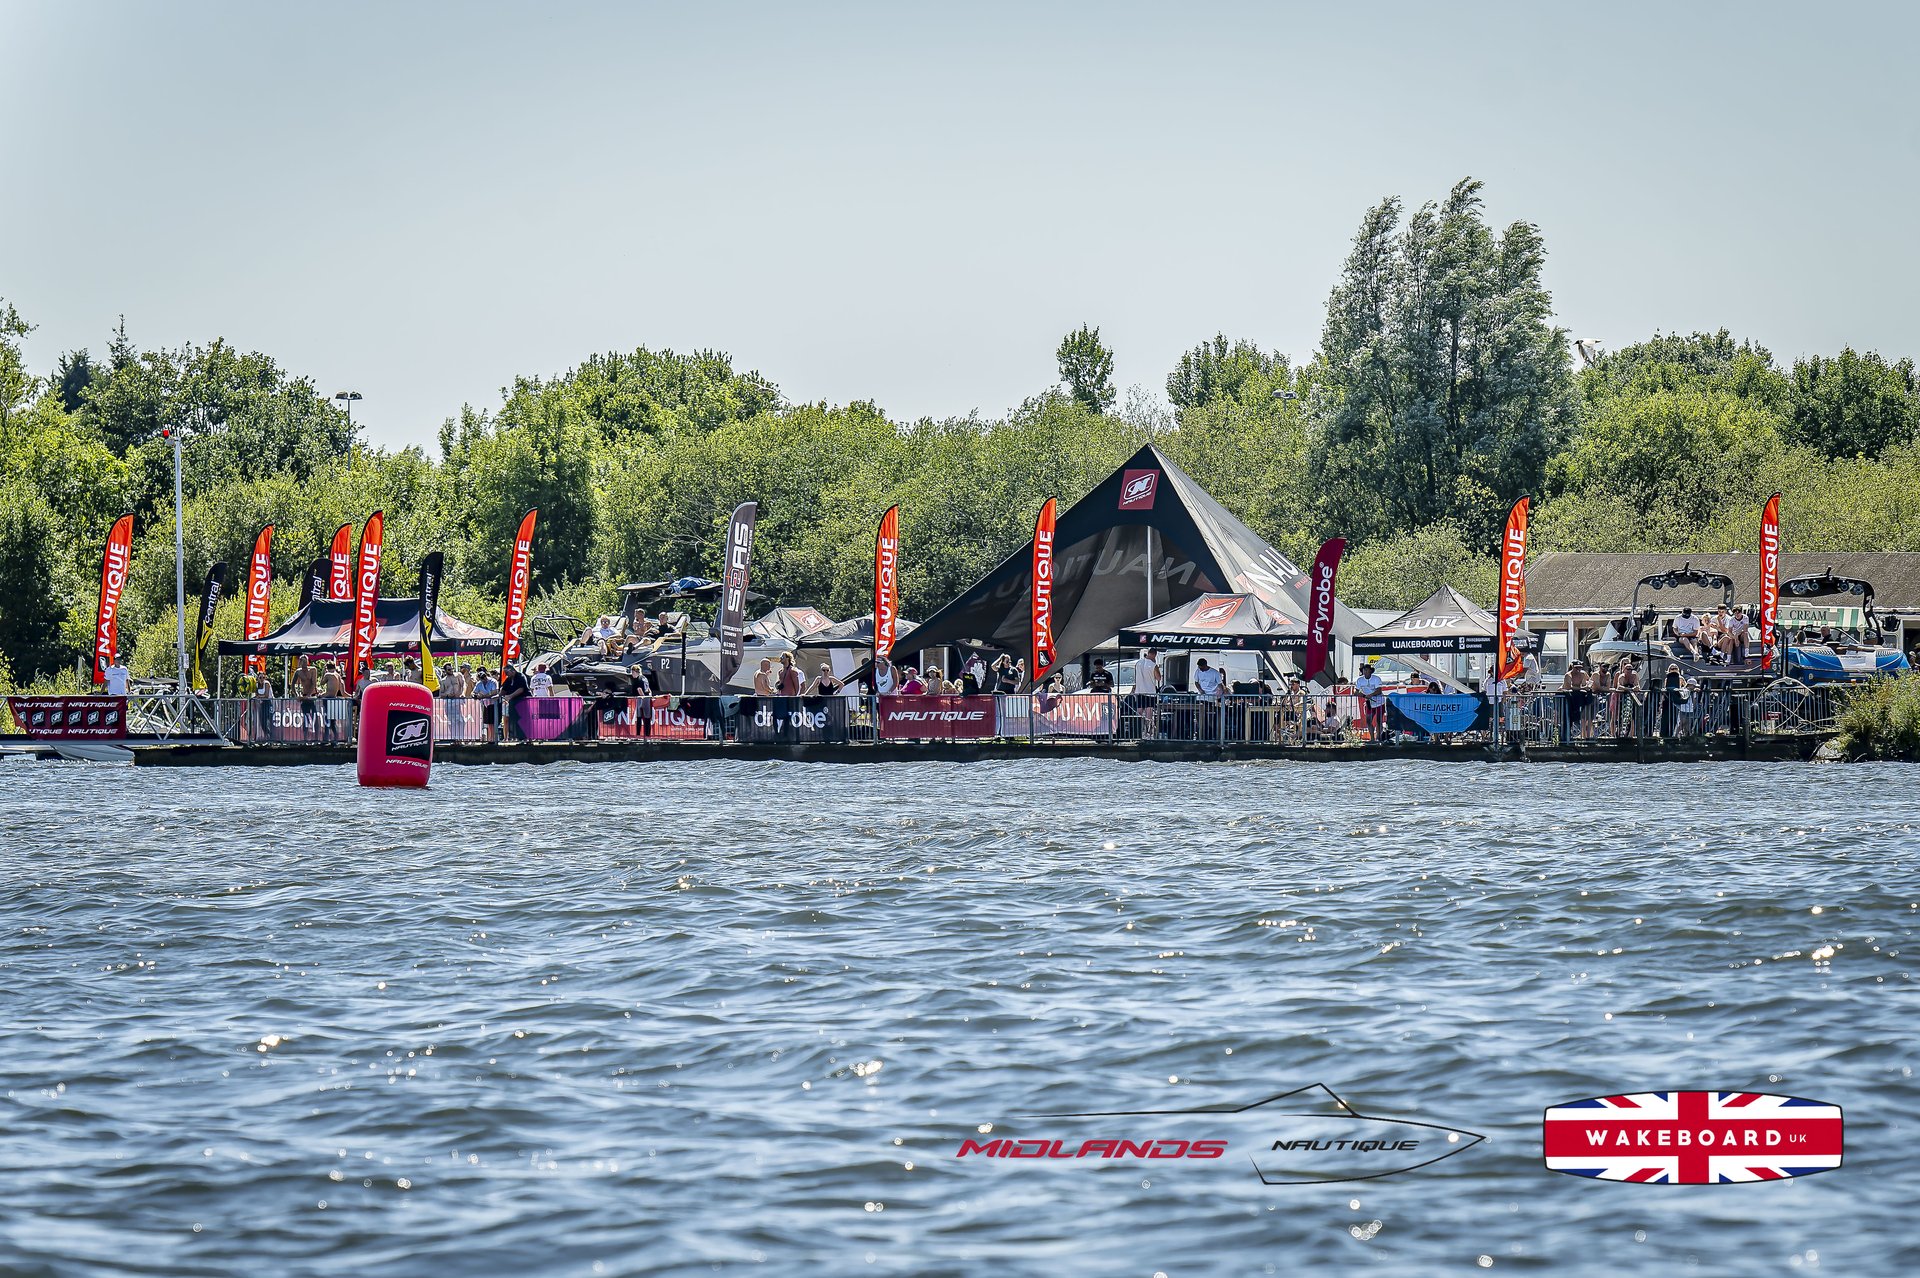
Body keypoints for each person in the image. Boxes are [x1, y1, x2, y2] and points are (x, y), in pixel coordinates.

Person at [1353, 662, 1386, 739]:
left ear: (1371, 671)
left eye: (1367, 670)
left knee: (1379, 721)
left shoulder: (1376, 678)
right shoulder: (1360, 680)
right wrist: (1363, 695)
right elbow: (1355, 691)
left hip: (1379, 702)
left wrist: (1370, 695)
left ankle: (1378, 737)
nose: (1365, 672)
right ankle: (1372, 738)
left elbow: (1379, 691)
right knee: (1368, 721)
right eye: (1364, 670)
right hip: (1369, 702)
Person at [498, 662, 530, 741]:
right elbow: (504, 689)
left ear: (512, 670)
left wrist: (510, 696)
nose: (506, 675)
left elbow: (521, 689)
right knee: (515, 720)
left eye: (507, 673)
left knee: (524, 720)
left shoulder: (520, 676)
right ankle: (518, 737)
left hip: (523, 701)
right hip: (514, 703)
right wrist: (498, 695)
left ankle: (527, 738)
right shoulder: (508, 679)